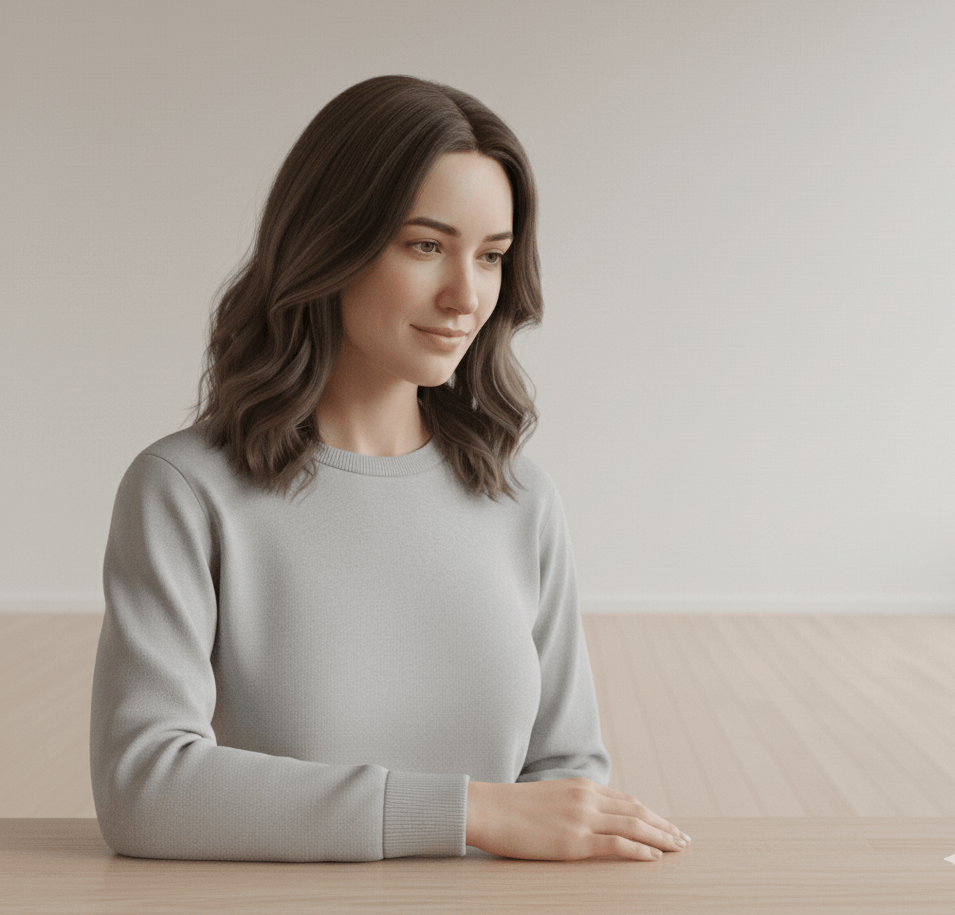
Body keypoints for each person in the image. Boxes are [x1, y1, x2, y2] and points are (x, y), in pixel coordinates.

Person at [89, 74, 690, 863]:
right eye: (426, 246)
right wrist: (465, 812)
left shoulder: (519, 499)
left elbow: (566, 780)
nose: (465, 296)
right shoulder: (185, 491)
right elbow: (146, 791)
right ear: (328, 243)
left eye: (492, 256)